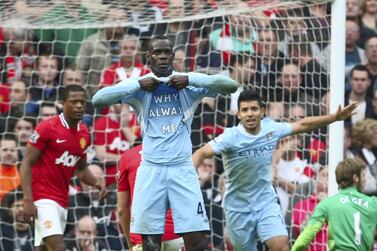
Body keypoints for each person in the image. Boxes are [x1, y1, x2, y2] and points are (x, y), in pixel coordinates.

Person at [92, 35, 237, 251]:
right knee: (151, 243)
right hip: (151, 170)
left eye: (166, 52)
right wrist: (137, 83)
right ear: (148, 57)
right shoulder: (140, 88)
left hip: (182, 169)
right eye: (157, 53)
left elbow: (231, 86)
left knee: (196, 241)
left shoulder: (187, 85)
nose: (162, 56)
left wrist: (190, 78)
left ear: (172, 56)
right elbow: (98, 100)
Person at [192, 89, 357, 251]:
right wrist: (189, 181)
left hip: (265, 203)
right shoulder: (230, 137)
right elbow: (201, 153)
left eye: (254, 109)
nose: (250, 113)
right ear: (239, 114)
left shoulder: (271, 128)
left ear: (262, 111)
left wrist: (335, 117)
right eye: (245, 110)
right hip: (237, 208)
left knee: (281, 245)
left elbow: (303, 124)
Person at [20, 84, 107, 251]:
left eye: (82, 102)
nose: (79, 106)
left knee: (44, 249)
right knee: (58, 247)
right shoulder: (47, 127)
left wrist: (96, 181)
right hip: (43, 199)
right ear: (63, 103)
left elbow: (81, 170)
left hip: (62, 200)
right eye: (74, 102)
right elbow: (26, 163)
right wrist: (28, 199)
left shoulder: (83, 134)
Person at [292, 158, 377, 251]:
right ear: (355, 178)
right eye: (364, 175)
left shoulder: (327, 203)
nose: (366, 179)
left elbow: (306, 235)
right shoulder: (373, 203)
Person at [117, 144, 184, 250]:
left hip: (142, 238)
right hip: (175, 235)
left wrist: (130, 245)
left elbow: (122, 210)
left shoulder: (128, 156)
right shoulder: (178, 152)